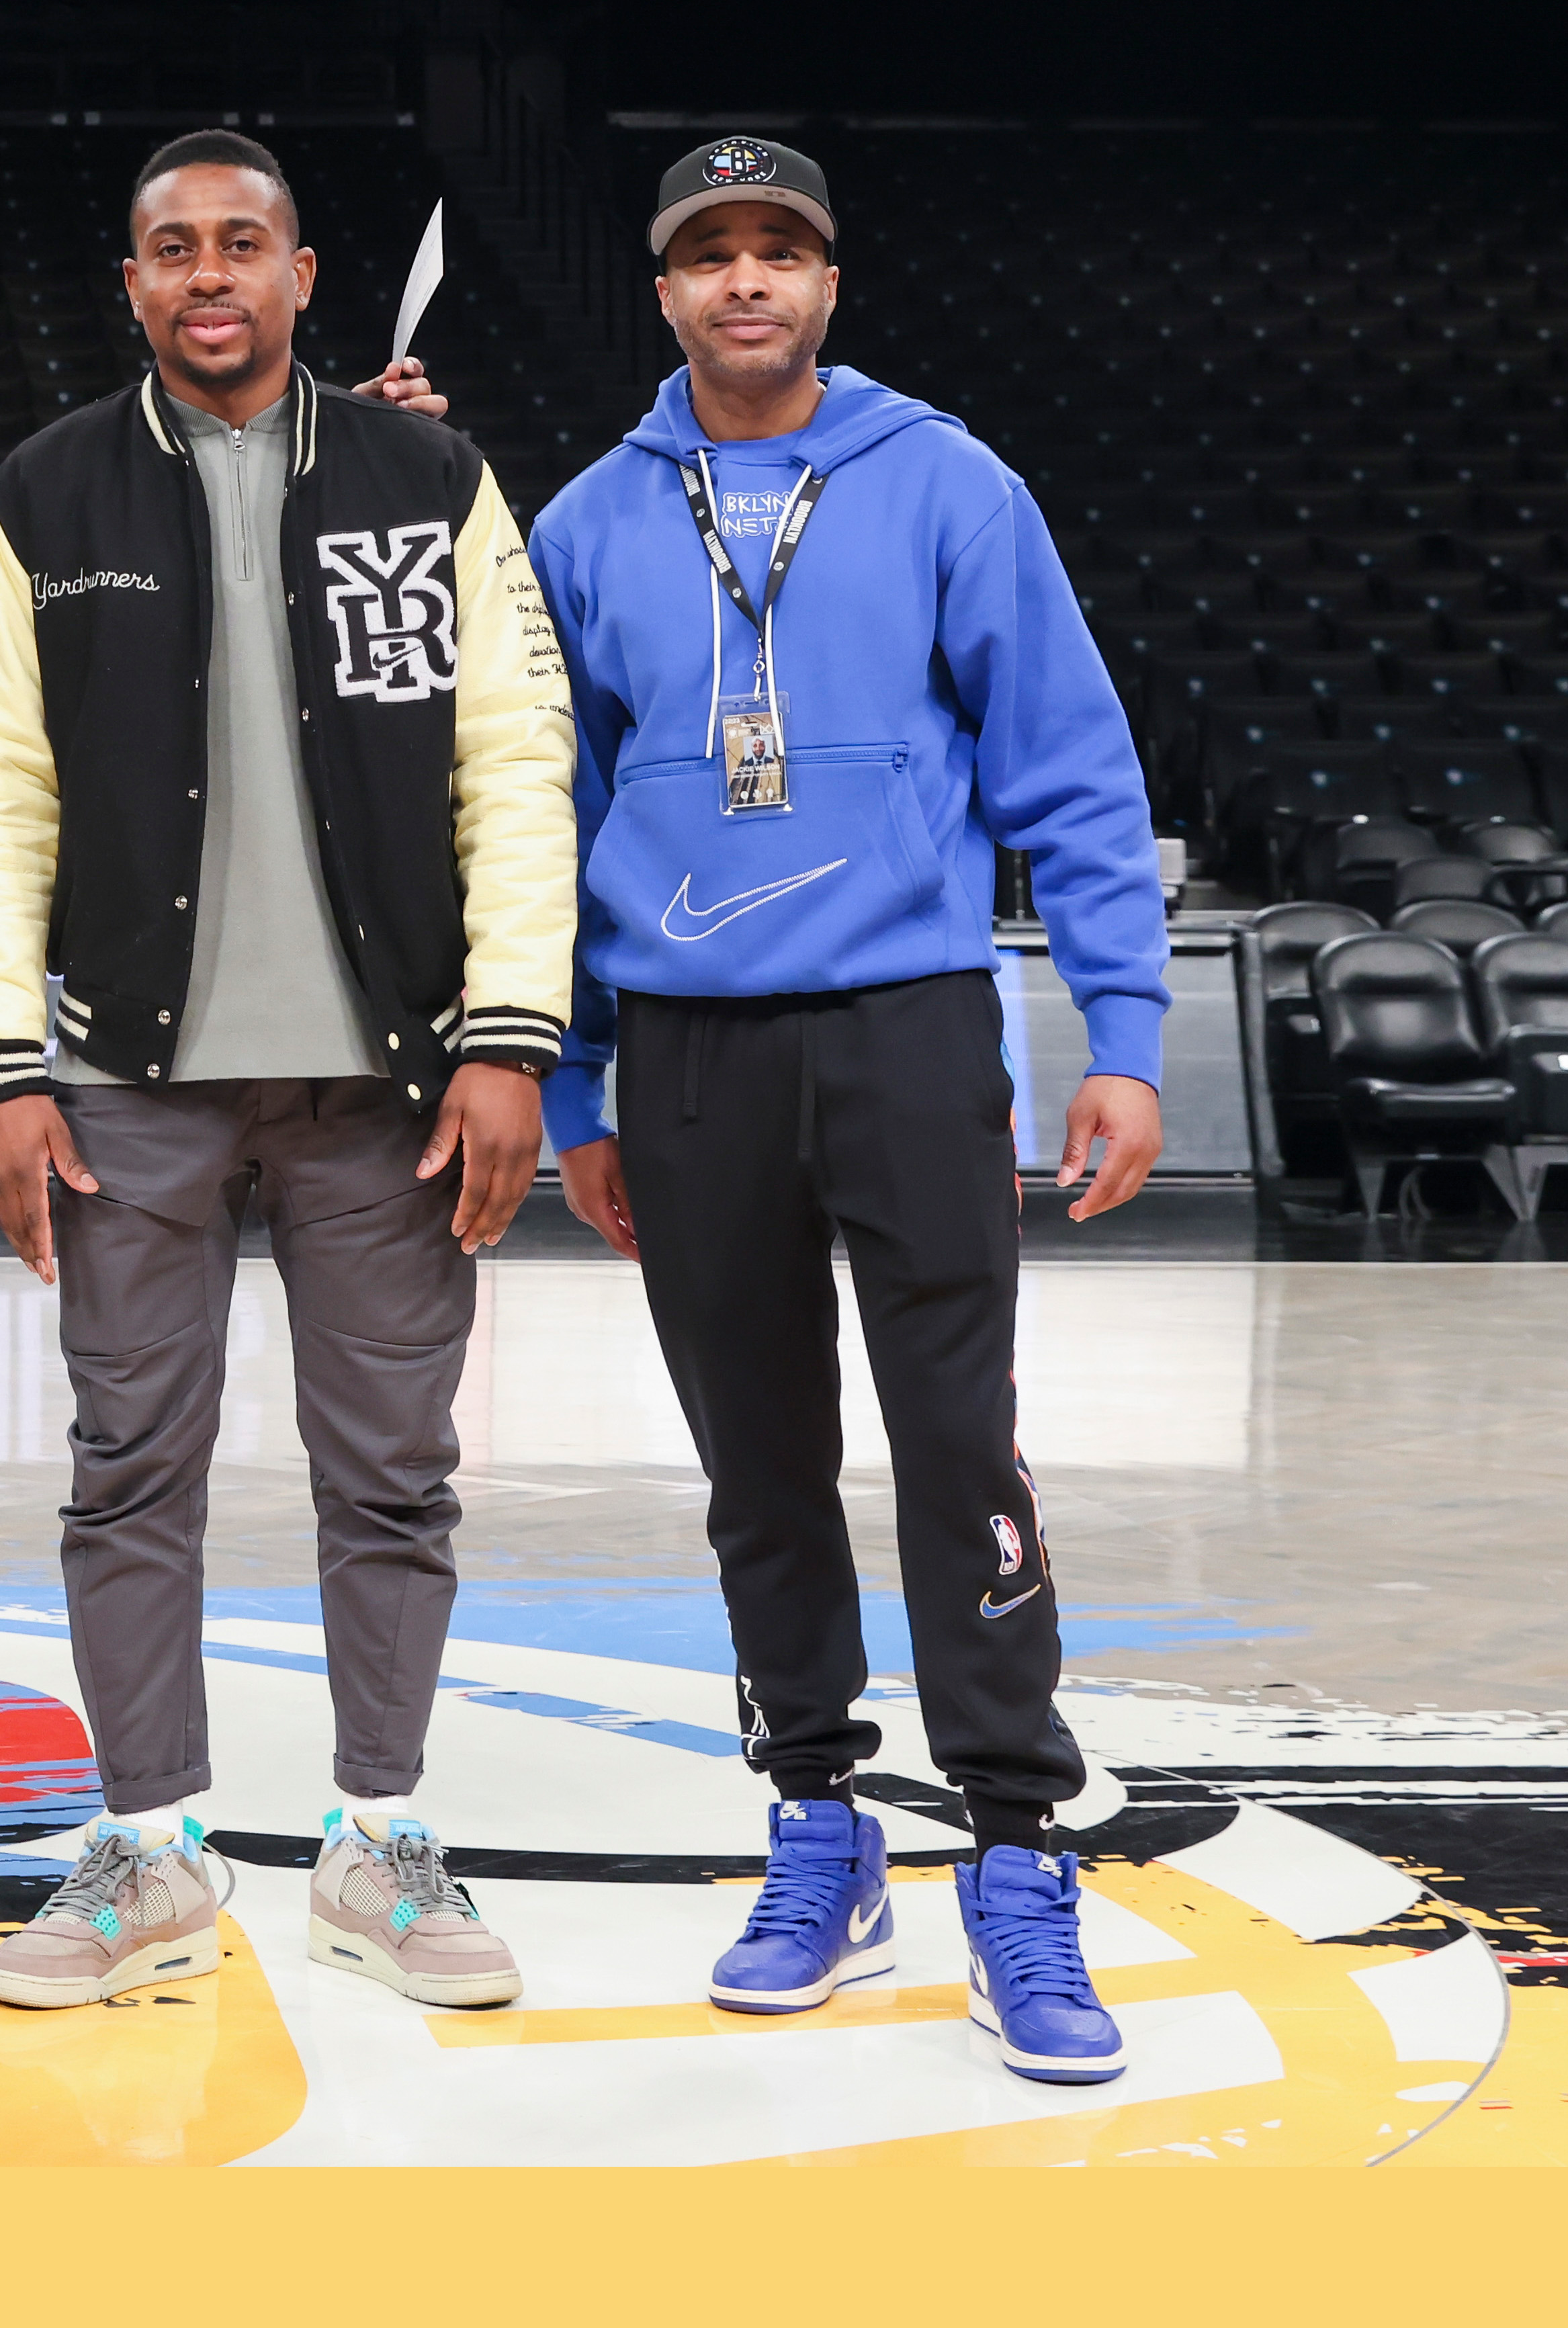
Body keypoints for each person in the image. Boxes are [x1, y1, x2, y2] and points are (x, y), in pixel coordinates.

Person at [522, 135, 1171, 2090]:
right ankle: (814, 1822)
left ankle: (1012, 1848)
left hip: (903, 1022)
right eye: (706, 254)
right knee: (758, 1461)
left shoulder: (944, 480)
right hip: (691, 1044)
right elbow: (536, 821)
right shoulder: (585, 523)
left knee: (957, 1442)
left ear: (827, 282)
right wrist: (568, 1075)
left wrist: (1121, 1034)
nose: (744, 283)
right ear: (660, 291)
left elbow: (1067, 762)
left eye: (777, 251)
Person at [0, 129, 578, 2018]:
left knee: (393, 1476)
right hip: (128, 1083)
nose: (207, 274)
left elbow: (512, 767)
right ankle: (150, 1845)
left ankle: (380, 1840)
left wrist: (506, 1036)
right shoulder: (43, 492)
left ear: (303, 273)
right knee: (129, 1471)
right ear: (129, 285)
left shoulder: (427, 474)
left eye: (242, 244)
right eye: (169, 249)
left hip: (391, 1088)